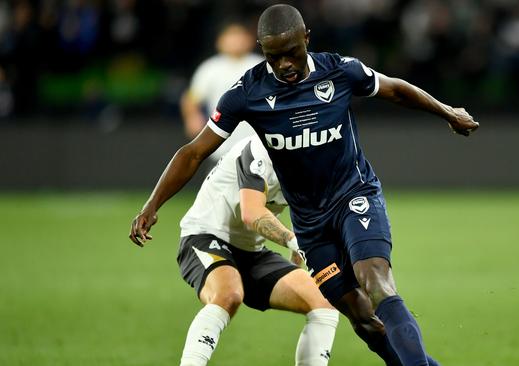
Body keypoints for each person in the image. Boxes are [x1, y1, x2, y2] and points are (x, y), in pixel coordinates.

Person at [130, 4, 479, 366]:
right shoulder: (247, 95)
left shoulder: (339, 71)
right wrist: (152, 205)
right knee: (362, 319)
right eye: (273, 57)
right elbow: (194, 152)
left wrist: (448, 112)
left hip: (353, 196)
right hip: (310, 225)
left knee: (376, 282)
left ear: (306, 38)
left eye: (292, 53)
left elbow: (395, 89)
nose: (284, 65)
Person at [153, 133, 339, 366]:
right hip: (204, 235)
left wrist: (298, 252)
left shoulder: (312, 162)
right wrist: (294, 242)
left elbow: (306, 211)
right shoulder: (259, 149)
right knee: (228, 295)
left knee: (324, 301)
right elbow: (251, 214)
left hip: (251, 251)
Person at [180, 22, 263, 163]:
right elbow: (191, 98)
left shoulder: (260, 65)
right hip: (221, 142)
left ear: (249, 40)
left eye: (239, 36)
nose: (236, 41)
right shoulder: (210, 68)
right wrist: (192, 117)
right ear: (220, 41)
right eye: (231, 36)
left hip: (255, 140)